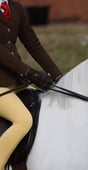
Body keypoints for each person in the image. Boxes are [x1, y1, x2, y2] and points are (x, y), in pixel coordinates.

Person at [0, 0, 62, 169]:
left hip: (15, 82)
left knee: (46, 110)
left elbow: (33, 44)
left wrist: (58, 76)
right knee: (23, 120)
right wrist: (29, 72)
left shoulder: (15, 7)